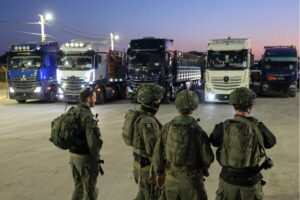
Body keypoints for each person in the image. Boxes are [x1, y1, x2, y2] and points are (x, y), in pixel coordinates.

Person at [210, 87, 276, 200]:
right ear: (250, 108)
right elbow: (271, 142)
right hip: (251, 183)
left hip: (228, 181)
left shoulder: (223, 127)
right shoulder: (258, 126)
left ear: (234, 106)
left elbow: (213, 141)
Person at [153, 89, 214, 200]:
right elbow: (208, 159)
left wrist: (159, 173)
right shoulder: (198, 130)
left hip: (171, 180)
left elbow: (157, 154)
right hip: (192, 182)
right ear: (194, 107)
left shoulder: (167, 127)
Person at [69, 86, 103, 200]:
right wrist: (96, 158)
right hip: (85, 158)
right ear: (88, 99)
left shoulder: (73, 111)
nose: (96, 99)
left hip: (73, 156)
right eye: (94, 97)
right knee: (90, 192)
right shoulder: (88, 116)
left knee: (78, 188)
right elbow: (92, 142)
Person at [132, 83, 165, 200]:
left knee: (142, 195)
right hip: (147, 169)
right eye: (157, 100)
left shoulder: (142, 115)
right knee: (151, 196)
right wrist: (160, 171)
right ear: (150, 102)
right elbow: (153, 150)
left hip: (140, 165)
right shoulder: (148, 122)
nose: (158, 103)